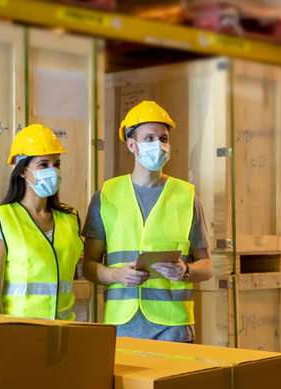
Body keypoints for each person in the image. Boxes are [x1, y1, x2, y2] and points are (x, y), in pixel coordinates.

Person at [82, 101, 213, 342]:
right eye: (149, 138)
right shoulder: (106, 196)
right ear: (132, 145)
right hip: (122, 325)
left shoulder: (187, 197)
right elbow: (89, 266)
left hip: (174, 327)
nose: (159, 145)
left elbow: (206, 266)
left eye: (163, 138)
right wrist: (117, 275)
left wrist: (185, 271)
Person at [0, 124, 83, 320]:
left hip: (63, 330)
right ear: (23, 171)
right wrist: (3, 335)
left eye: (57, 164)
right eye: (43, 164)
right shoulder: (0, 220)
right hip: (21, 332)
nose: (53, 171)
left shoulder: (70, 219)